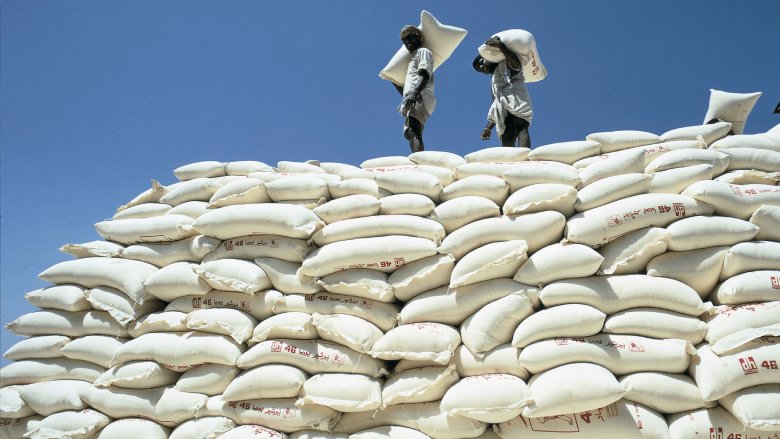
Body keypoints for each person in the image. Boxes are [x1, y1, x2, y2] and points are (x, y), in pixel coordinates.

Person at [473, 36, 533, 148]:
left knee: (520, 128)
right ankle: (509, 162)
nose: (481, 67)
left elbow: (516, 64)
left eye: (481, 63)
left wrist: (501, 46)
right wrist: (488, 127)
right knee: (506, 136)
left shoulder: (505, 65)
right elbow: (496, 106)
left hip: (517, 101)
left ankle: (525, 158)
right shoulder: (494, 81)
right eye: (479, 69)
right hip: (504, 112)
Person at [394, 25, 436, 152]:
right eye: (405, 40)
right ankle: (417, 158)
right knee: (411, 133)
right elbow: (408, 86)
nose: (408, 42)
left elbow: (425, 74)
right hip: (413, 97)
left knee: (414, 129)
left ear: (418, 38)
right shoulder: (411, 59)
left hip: (420, 96)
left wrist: (415, 93)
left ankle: (420, 161)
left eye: (410, 38)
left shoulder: (423, 52)